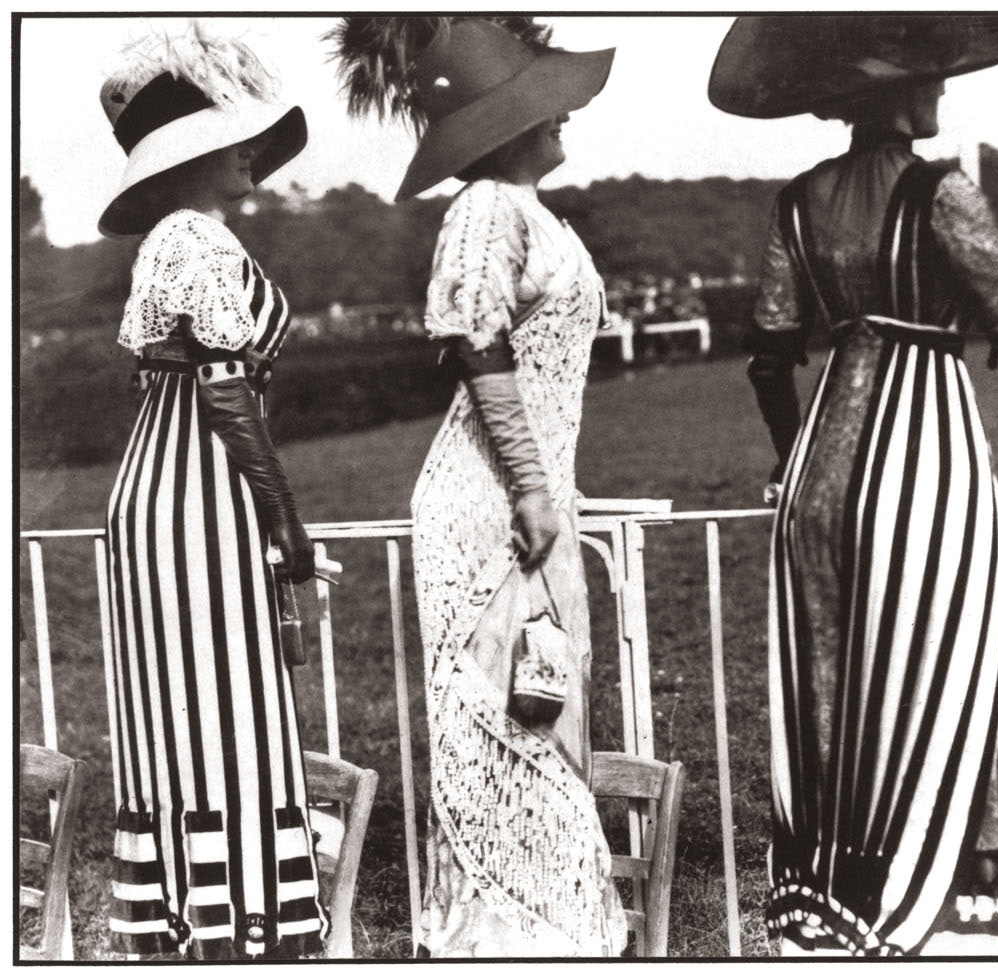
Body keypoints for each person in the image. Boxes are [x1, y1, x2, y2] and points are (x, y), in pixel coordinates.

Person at [709, 15, 998, 957]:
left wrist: (788, 455)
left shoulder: (797, 202)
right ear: (890, 92)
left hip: (816, 476)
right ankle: (943, 912)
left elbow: (768, 359)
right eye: (927, 78)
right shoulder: (939, 190)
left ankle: (831, 898)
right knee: (946, 666)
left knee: (831, 681)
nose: (939, 92)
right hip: (926, 461)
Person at [330, 17, 626, 956]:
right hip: (490, 500)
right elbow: (476, 343)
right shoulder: (488, 209)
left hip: (532, 494)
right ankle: (499, 940)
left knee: (542, 701)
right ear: (512, 123)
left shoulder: (534, 213)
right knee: (504, 712)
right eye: (547, 106)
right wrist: (536, 490)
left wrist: (550, 493)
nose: (564, 118)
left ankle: (548, 927)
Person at [98, 23, 328, 959]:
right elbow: (227, 392)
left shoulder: (185, 238)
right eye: (229, 135)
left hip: (172, 491)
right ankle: (235, 923)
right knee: (221, 704)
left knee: (197, 706)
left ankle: (205, 915)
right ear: (185, 154)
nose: (249, 149)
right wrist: (290, 530)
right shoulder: (191, 237)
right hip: (199, 500)